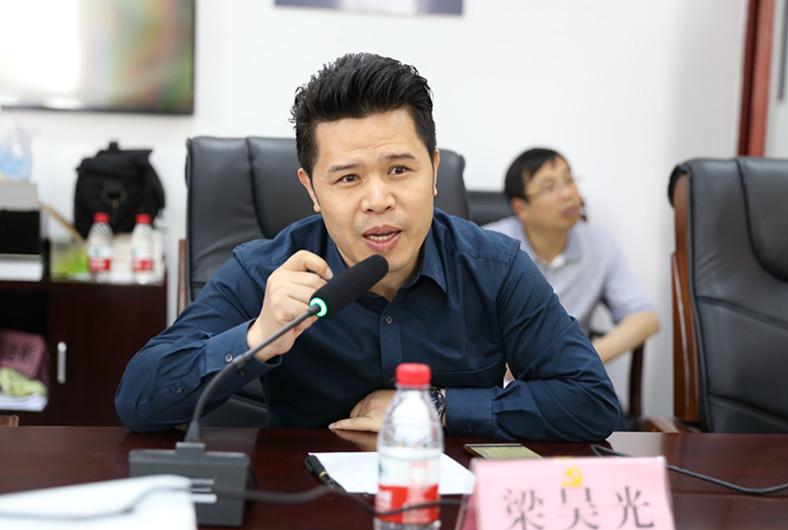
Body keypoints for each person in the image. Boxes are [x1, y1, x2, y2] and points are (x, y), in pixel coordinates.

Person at [115, 53, 620, 442]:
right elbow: (138, 402)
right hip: (301, 511)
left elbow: (592, 402)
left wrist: (433, 407)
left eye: (399, 169)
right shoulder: (265, 271)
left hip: (447, 508)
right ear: (312, 190)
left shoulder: (495, 267)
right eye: (348, 178)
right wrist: (258, 337)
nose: (378, 200)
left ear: (434, 172)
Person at [484, 148, 660, 366]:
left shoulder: (600, 244)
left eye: (568, 180)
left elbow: (645, 318)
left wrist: (580, 359)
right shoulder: (489, 246)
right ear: (521, 209)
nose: (567, 193)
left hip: (569, 377)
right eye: (549, 187)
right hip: (502, 376)